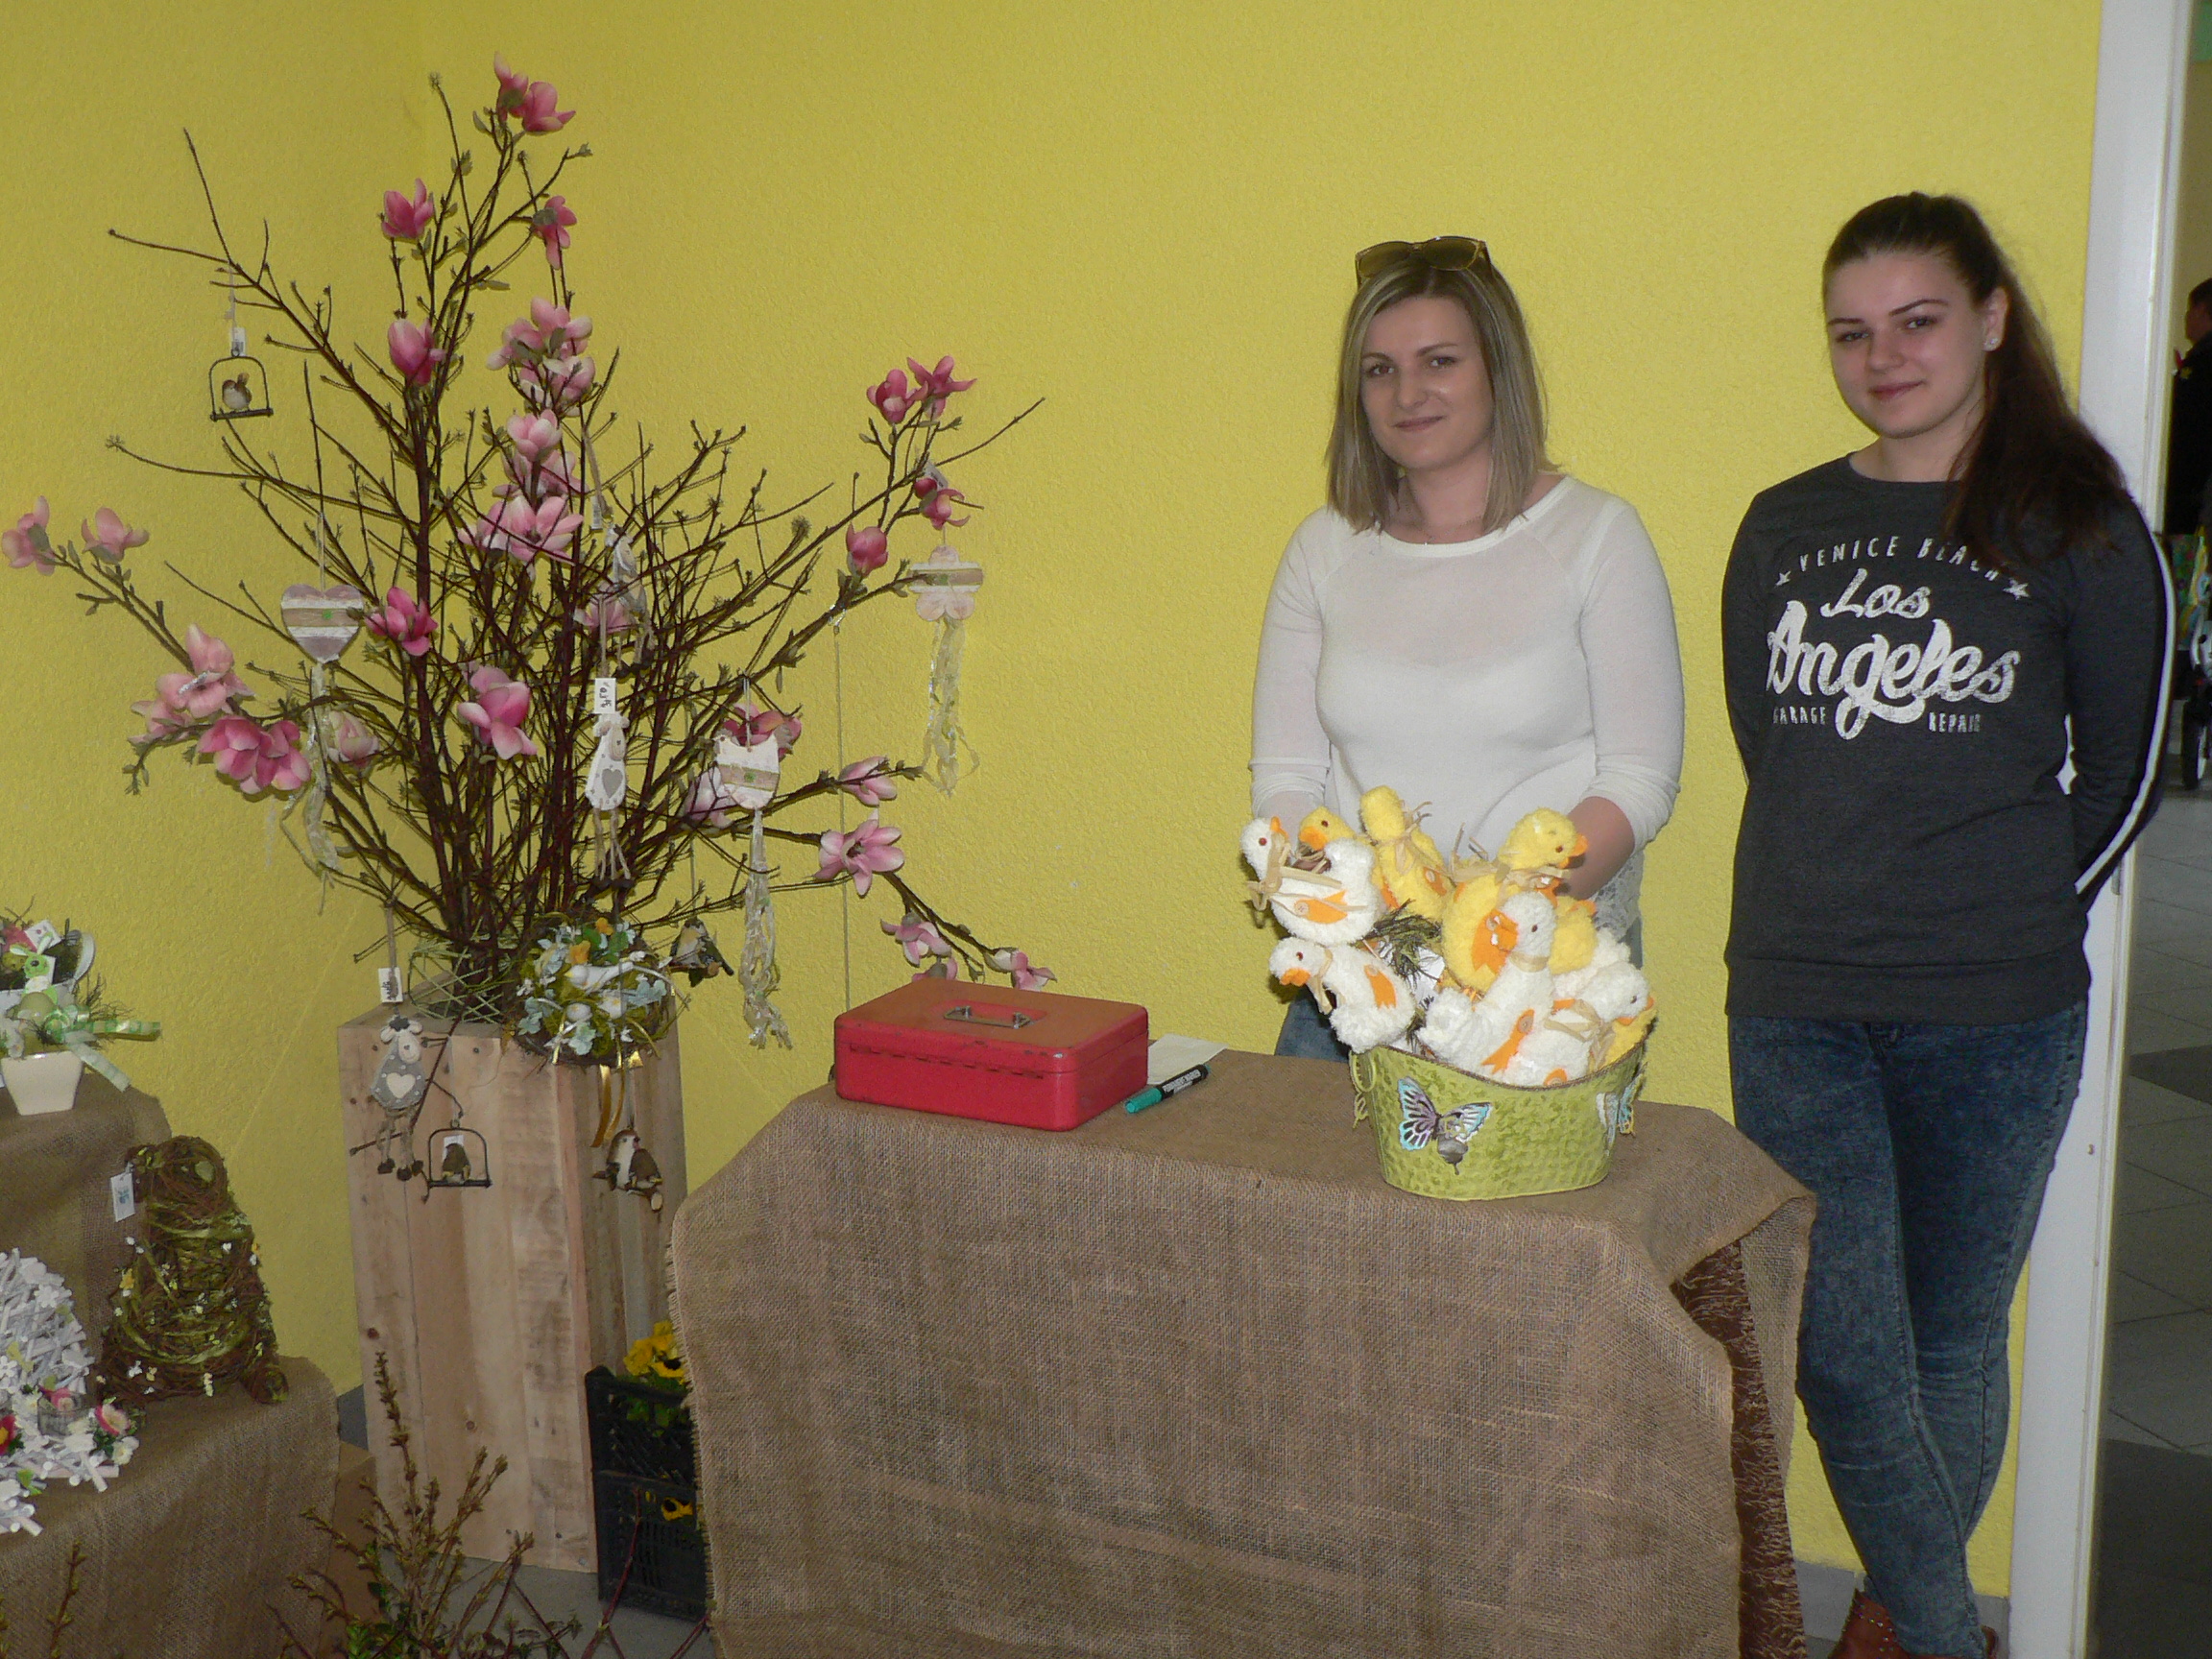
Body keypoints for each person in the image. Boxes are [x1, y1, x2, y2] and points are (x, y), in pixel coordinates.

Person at [1721, 194, 2169, 1659]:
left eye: (1917, 322)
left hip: (1997, 1011)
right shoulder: (1786, 524)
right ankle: (1941, 1630)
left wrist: (2016, 913)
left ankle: (1890, 1627)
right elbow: (1773, 745)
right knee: (1842, 1353)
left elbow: (2127, 772)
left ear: (1990, 318)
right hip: (1795, 996)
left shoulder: (2079, 526)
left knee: (1953, 1337)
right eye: (1852, 332)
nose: (1884, 357)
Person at [1251, 236, 1684, 1059]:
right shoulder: (1324, 549)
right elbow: (1286, 776)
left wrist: (1491, 924)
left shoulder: (1596, 536)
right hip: (1360, 980)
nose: (1407, 393)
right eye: (1379, 370)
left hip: (1541, 985)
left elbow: (1639, 781)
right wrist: (1359, 920)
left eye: (1439, 361)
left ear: (1498, 371)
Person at [2163, 276, 2212, 536]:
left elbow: (2186, 424)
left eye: (2190, 310)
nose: (2186, 318)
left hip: (2194, 492)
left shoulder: (2202, 363)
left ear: (2202, 310)